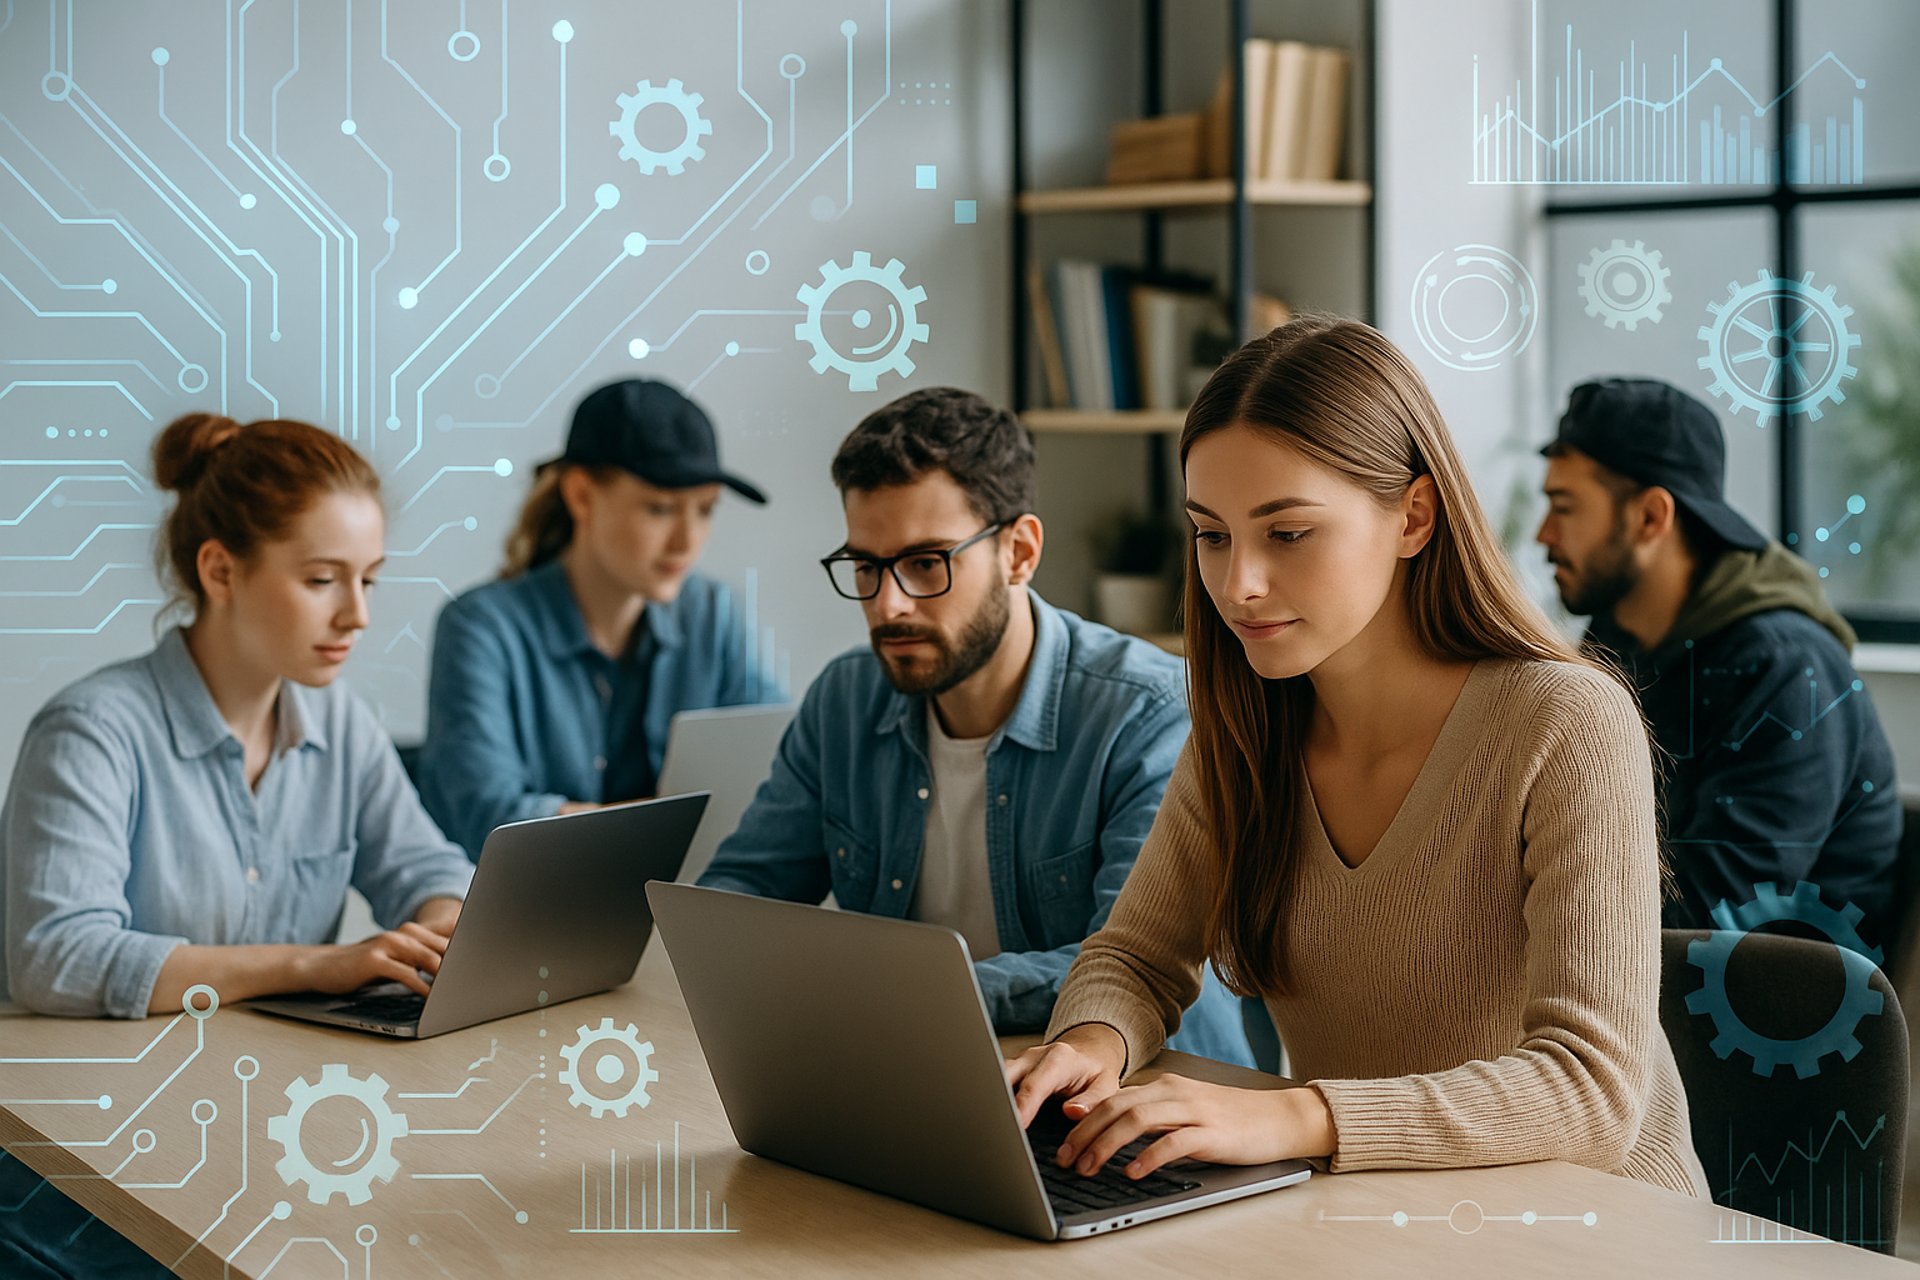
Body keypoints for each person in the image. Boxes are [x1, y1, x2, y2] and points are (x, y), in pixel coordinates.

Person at [1003, 319, 1710, 1198]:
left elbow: (1591, 1092)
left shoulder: (1566, 720)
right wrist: (1086, 1049)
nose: (1237, 584)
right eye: (1211, 535)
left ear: (1412, 516)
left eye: (1287, 533)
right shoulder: (1246, 725)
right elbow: (1139, 959)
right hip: (1377, 1213)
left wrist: (1297, 1116)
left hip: (1596, 1228)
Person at [1, 412, 475, 1276]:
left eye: (369, 579)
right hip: (84, 1153)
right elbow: (53, 957)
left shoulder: (343, 725)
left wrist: (439, 933)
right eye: (324, 579)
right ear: (220, 569)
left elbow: (430, 867)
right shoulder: (92, 733)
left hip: (256, 1128)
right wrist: (312, 965)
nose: (358, 615)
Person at [698, 387, 1252, 1065]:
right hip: (918, 1074)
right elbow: (734, 904)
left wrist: (901, 991)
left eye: (925, 564)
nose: (888, 605)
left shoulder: (1151, 712)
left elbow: (1128, 966)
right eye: (866, 568)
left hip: (1140, 1096)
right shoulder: (846, 700)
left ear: (1019, 552)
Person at [1536, 377, 1900, 943]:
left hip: (1770, 1007)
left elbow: (1713, 917)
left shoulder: (1786, 671)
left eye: (1565, 507)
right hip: (1631, 980)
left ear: (1651, 518)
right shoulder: (1619, 638)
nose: (1543, 534)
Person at [417, 379, 783, 860]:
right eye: (660, 508)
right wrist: (674, 830)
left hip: (681, 914)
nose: (686, 541)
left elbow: (779, 772)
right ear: (581, 496)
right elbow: (486, 816)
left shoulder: (716, 613)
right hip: (535, 914)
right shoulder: (480, 627)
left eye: (705, 510)